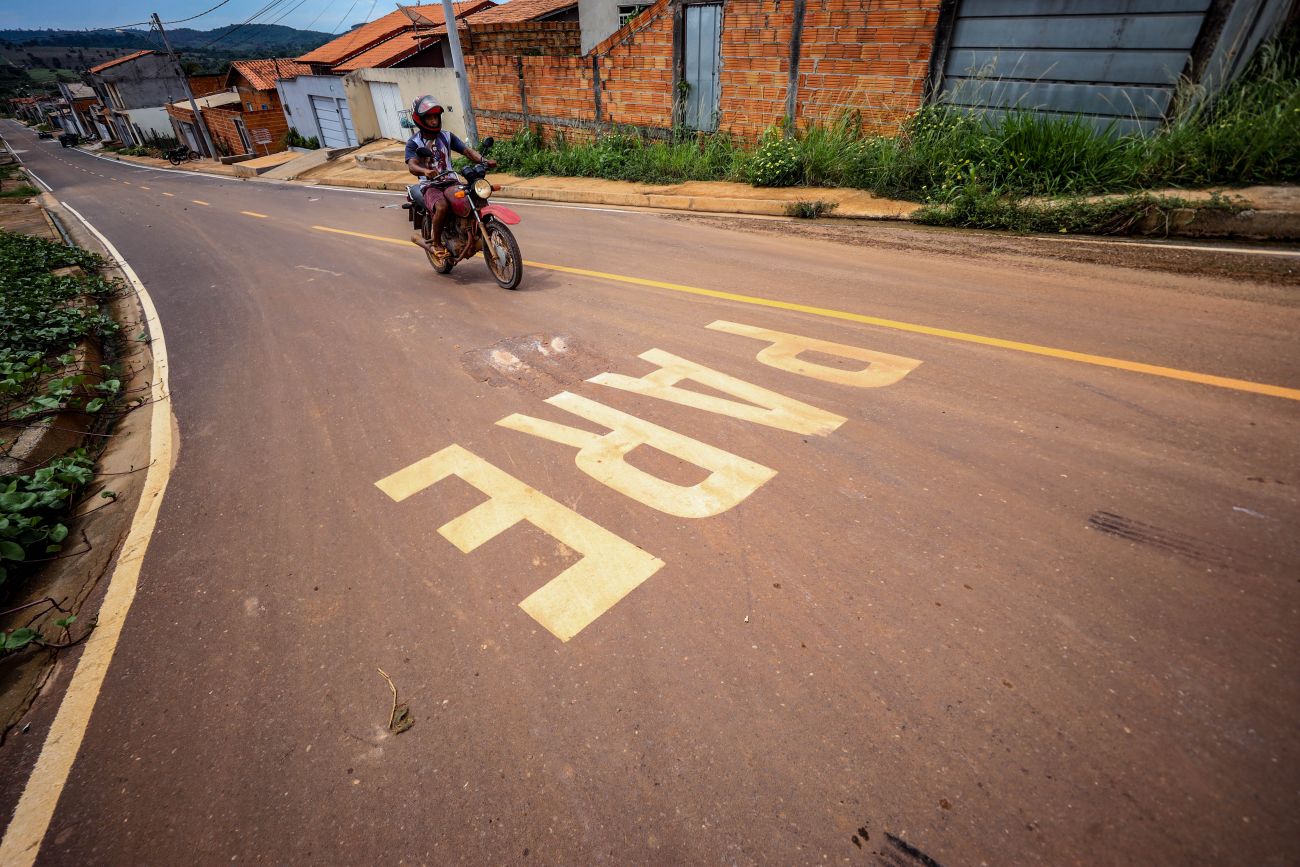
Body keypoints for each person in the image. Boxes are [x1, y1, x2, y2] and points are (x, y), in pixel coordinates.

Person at [406, 95, 494, 261]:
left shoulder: (446, 136)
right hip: (430, 185)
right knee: (441, 206)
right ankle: (438, 243)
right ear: (421, 120)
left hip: (450, 181)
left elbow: (467, 151)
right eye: (429, 118)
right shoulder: (414, 142)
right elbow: (412, 165)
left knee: (471, 198)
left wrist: (484, 161)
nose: (433, 121)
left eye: (435, 117)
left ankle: (471, 231)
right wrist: (424, 172)